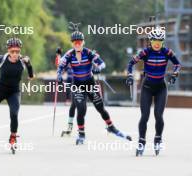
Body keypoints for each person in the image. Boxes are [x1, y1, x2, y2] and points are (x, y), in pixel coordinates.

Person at [57, 30, 131, 145]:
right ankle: (81, 134)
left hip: (90, 83)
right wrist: (59, 75)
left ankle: (111, 127)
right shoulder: (69, 54)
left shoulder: (88, 53)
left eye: (79, 42)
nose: (77, 44)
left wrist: (97, 69)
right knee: (81, 109)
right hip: (77, 85)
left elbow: (102, 64)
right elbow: (61, 66)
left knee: (100, 107)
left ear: (83, 42)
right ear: (72, 43)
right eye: (75, 42)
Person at [126, 27, 181, 156]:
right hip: (147, 87)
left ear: (163, 42)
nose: (157, 44)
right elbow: (130, 63)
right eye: (154, 42)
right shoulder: (145, 52)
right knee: (144, 116)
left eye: (160, 42)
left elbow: (177, 65)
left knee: (158, 115)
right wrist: (129, 76)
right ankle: (141, 142)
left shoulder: (167, 52)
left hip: (161, 87)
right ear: (150, 41)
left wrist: (175, 74)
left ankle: (158, 138)